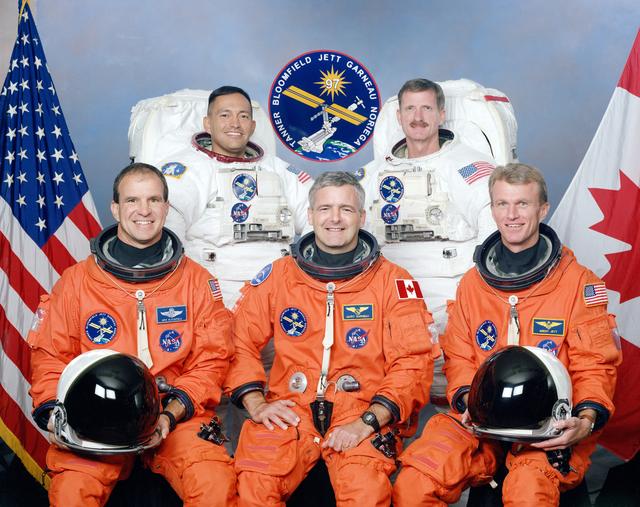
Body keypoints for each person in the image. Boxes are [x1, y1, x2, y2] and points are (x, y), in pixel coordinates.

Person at [392, 163, 621, 507]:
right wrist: (467, 400)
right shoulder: (473, 284)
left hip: (548, 426)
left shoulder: (578, 284)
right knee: (414, 483)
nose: (511, 215)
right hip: (480, 422)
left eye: (522, 204)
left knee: (528, 491)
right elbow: (460, 358)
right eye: (502, 204)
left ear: (543, 209)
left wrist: (586, 420)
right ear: (493, 209)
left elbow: (595, 365)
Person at [28, 163, 236, 507]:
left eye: (154, 200)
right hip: (97, 418)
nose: (144, 210)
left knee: (214, 484)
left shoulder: (196, 282)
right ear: (115, 208)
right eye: (132, 200)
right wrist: (55, 414)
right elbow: (50, 357)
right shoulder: (77, 282)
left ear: (166, 208)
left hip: (175, 415)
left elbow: (212, 360)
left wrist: (170, 414)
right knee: (71, 493)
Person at [225, 171, 435, 505]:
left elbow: (414, 362)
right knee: (255, 485)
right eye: (325, 209)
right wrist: (256, 403)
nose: (334, 218)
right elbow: (238, 340)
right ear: (310, 215)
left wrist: (370, 420)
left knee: (365, 492)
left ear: (362, 217)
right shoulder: (278, 276)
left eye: (345, 209)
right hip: (292, 408)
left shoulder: (393, 281)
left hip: (362, 410)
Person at [359, 78, 497, 410]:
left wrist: (480, 293)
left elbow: (493, 219)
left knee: (461, 389)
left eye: (426, 108)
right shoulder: (373, 174)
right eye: (410, 108)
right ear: (399, 116)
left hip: (452, 294)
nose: (418, 117)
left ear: (441, 114)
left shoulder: (467, 166)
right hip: (391, 296)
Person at [149, 85, 312, 307]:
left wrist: (308, 274)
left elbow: (319, 217)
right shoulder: (188, 170)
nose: (235, 123)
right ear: (208, 124)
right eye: (225, 115)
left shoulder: (280, 170)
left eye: (243, 116)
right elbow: (168, 230)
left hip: (280, 291)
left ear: (252, 126)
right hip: (214, 295)